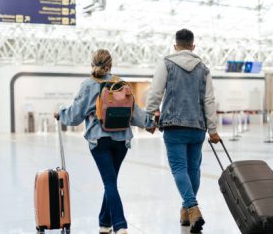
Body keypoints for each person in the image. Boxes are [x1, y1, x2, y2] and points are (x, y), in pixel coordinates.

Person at [54, 49, 147, 234]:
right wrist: (150, 123)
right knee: (111, 181)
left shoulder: (88, 85)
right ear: (110, 65)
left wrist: (61, 113)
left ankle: (120, 226)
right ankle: (104, 224)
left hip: (100, 140)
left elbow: (74, 116)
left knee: (109, 183)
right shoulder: (121, 83)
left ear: (92, 64)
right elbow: (134, 112)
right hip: (122, 140)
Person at [145, 28, 220, 233]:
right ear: (193, 46)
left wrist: (149, 115)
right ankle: (185, 211)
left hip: (174, 126)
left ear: (175, 46)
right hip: (197, 127)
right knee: (193, 170)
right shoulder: (203, 69)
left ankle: (193, 207)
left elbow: (155, 93)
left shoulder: (166, 63)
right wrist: (213, 129)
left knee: (179, 169)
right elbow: (209, 101)